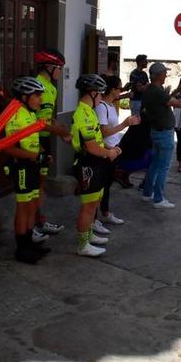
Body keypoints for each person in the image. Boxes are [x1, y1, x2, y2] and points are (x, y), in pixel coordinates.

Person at [3, 77, 52, 263]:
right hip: (21, 166)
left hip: (32, 165)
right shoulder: (15, 115)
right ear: (24, 97)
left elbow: (30, 142)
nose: (40, 99)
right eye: (37, 95)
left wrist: (42, 153)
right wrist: (34, 156)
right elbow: (9, 148)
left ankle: (29, 244)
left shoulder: (30, 113)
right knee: (23, 208)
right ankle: (21, 249)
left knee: (32, 205)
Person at [71, 74, 121, 257]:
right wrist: (109, 153)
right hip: (87, 164)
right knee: (88, 206)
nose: (101, 97)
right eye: (99, 94)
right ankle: (82, 245)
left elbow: (97, 140)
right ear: (92, 93)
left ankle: (89, 235)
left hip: (95, 162)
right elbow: (91, 146)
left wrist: (109, 147)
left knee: (94, 202)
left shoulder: (90, 110)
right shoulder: (83, 113)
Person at [33, 49, 70, 241]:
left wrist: (59, 128)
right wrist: (60, 131)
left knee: (41, 183)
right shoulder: (37, 86)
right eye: (58, 68)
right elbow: (34, 122)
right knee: (34, 185)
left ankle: (39, 221)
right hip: (34, 141)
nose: (60, 72)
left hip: (45, 139)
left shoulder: (52, 88)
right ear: (48, 67)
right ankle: (31, 225)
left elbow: (48, 117)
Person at [141, 62, 181, 208]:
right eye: (164, 73)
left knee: (155, 164)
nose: (166, 75)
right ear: (158, 75)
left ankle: (147, 193)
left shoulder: (151, 90)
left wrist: (176, 91)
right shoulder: (157, 91)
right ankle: (159, 199)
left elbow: (165, 100)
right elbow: (178, 104)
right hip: (164, 133)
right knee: (163, 166)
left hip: (156, 130)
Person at [96, 75, 140, 226]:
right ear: (112, 90)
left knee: (106, 185)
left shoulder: (110, 105)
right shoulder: (101, 107)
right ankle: (96, 218)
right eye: (119, 88)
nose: (121, 91)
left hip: (113, 151)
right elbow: (103, 132)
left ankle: (104, 213)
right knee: (100, 186)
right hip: (105, 152)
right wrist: (124, 124)